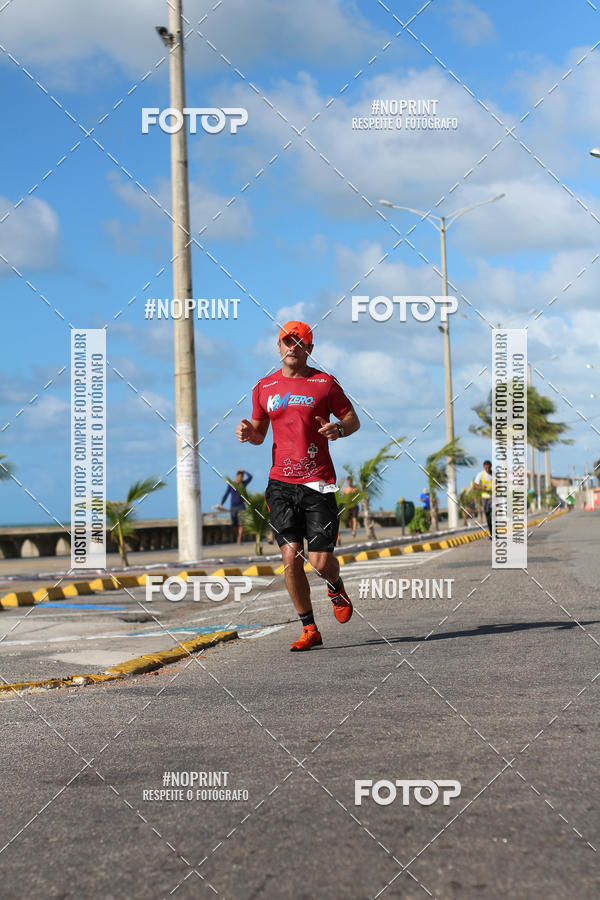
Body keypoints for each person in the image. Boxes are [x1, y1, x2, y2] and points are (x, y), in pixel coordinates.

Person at [236, 320, 360, 652]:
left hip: (318, 482)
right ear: (278, 346)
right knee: (291, 558)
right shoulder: (264, 387)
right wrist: (250, 434)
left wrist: (338, 430)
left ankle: (334, 584)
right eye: (287, 341)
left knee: (320, 562)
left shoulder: (324, 383)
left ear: (309, 348)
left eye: (299, 342)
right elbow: (261, 435)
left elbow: (352, 419)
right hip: (280, 484)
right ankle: (309, 628)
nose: (293, 346)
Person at [219, 469, 252, 544]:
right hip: (233, 506)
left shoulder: (243, 484)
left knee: (241, 523)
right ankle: (238, 535)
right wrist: (221, 503)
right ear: (237, 476)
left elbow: (250, 477)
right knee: (234, 524)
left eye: (242, 477)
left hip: (241, 506)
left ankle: (239, 540)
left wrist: (244, 471)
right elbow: (226, 494)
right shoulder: (231, 484)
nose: (241, 478)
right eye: (240, 477)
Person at [473, 460, 494, 538]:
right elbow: (474, 486)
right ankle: (491, 533)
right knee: (488, 516)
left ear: (491, 467)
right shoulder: (480, 475)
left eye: (489, 468)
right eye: (486, 468)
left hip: (493, 497)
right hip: (485, 498)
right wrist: (481, 487)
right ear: (484, 467)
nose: (487, 469)